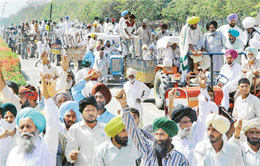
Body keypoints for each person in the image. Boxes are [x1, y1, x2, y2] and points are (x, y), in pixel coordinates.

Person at [115, 89, 189, 166]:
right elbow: (133, 130)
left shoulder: (180, 160)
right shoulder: (147, 149)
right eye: (156, 134)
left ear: (170, 137)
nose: (158, 138)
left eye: (162, 134)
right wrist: (123, 105)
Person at [6, 74, 60, 166]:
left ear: (37, 128)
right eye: (22, 127)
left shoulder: (46, 147)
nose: (25, 130)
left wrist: (47, 97)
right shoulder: (14, 153)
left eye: (28, 126)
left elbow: (53, 123)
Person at [170, 72, 217, 165]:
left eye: (189, 121)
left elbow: (203, 112)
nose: (188, 125)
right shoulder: (173, 141)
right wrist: (171, 100)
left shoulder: (196, 134)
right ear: (178, 125)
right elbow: (169, 121)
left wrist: (203, 87)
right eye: (183, 122)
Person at [65, 95, 109, 166]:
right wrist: (72, 155)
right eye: (87, 110)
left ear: (97, 112)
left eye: (93, 110)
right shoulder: (74, 129)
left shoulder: (106, 128)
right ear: (82, 113)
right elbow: (69, 150)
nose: (91, 113)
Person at [57, 101, 82, 166]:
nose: (71, 119)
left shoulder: (80, 131)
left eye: (73, 116)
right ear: (63, 117)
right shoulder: (58, 130)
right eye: (68, 116)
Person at [179, 16, 202, 82]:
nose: (196, 25)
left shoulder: (197, 28)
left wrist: (199, 49)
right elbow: (187, 41)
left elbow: (200, 38)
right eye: (194, 24)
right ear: (191, 24)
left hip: (196, 46)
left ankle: (201, 71)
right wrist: (193, 50)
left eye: (197, 24)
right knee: (187, 63)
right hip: (187, 47)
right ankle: (193, 71)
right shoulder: (186, 28)